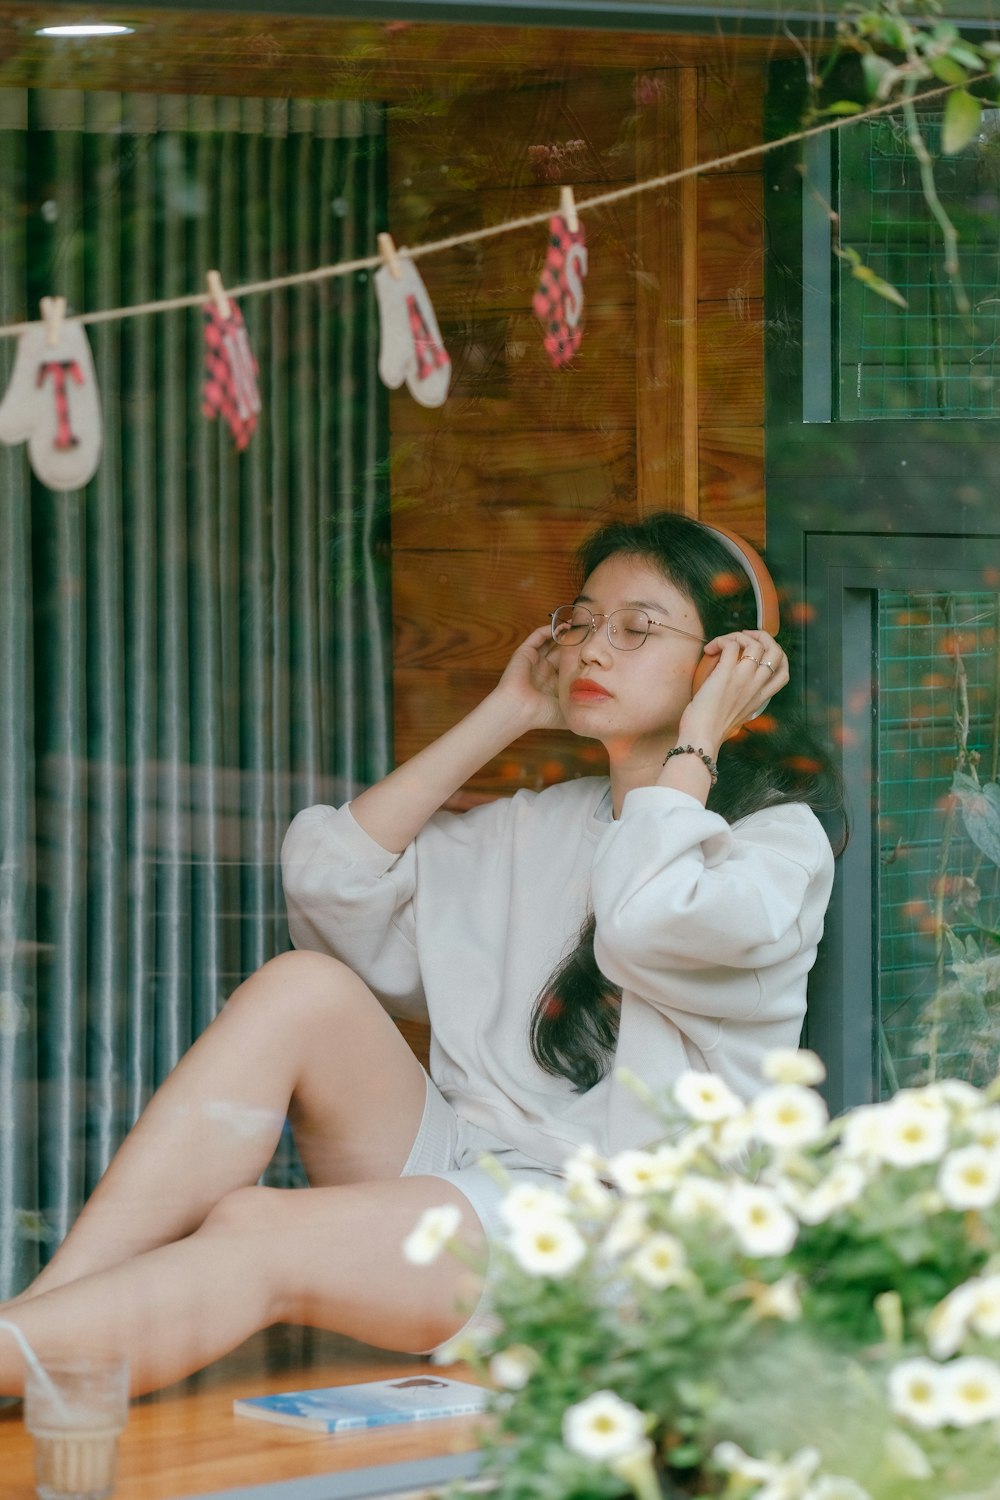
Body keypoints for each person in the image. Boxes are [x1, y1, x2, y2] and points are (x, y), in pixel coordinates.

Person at [0, 511, 843, 1397]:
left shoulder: (775, 849)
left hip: (615, 1237)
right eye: (583, 621)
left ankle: (31, 1352)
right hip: (464, 1170)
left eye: (637, 629)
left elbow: (644, 919)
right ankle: (41, 1324)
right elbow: (330, 888)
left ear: (728, 668)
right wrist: (509, 710)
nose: (594, 649)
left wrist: (701, 738)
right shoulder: (547, 821)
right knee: (303, 988)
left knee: (258, 1227)